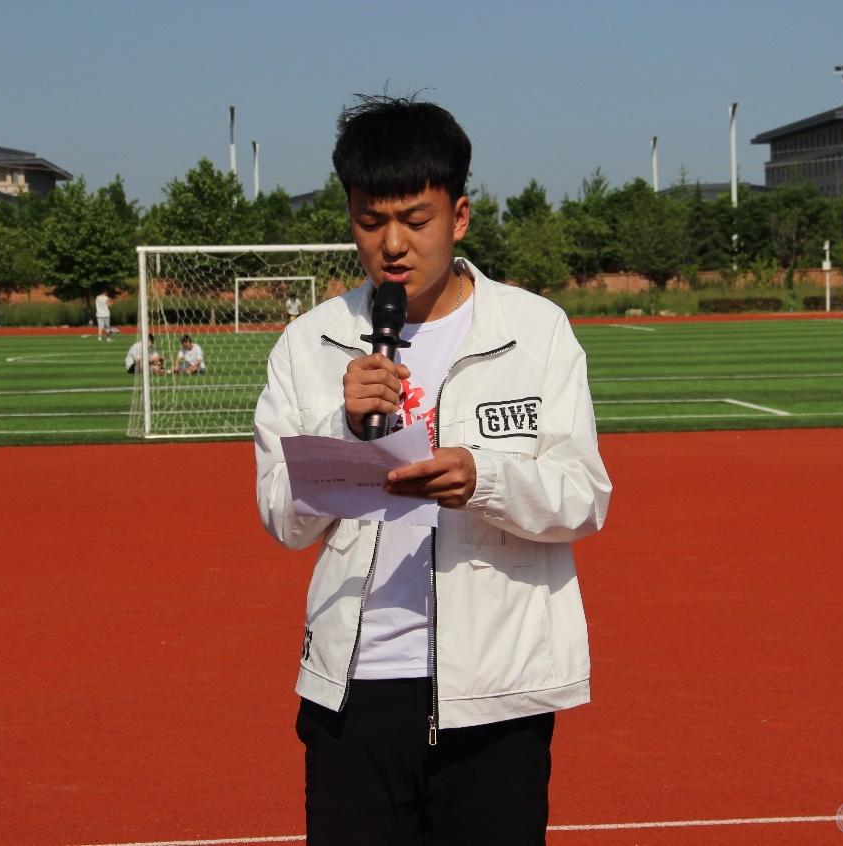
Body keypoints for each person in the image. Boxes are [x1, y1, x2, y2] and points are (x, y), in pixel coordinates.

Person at [253, 95, 611, 845]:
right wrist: (341, 429)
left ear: (460, 216)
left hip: (495, 692)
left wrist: (483, 481)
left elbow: (583, 498)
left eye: (416, 220)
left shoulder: (535, 331)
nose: (392, 244)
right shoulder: (310, 343)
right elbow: (283, 519)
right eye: (370, 220)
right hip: (354, 689)